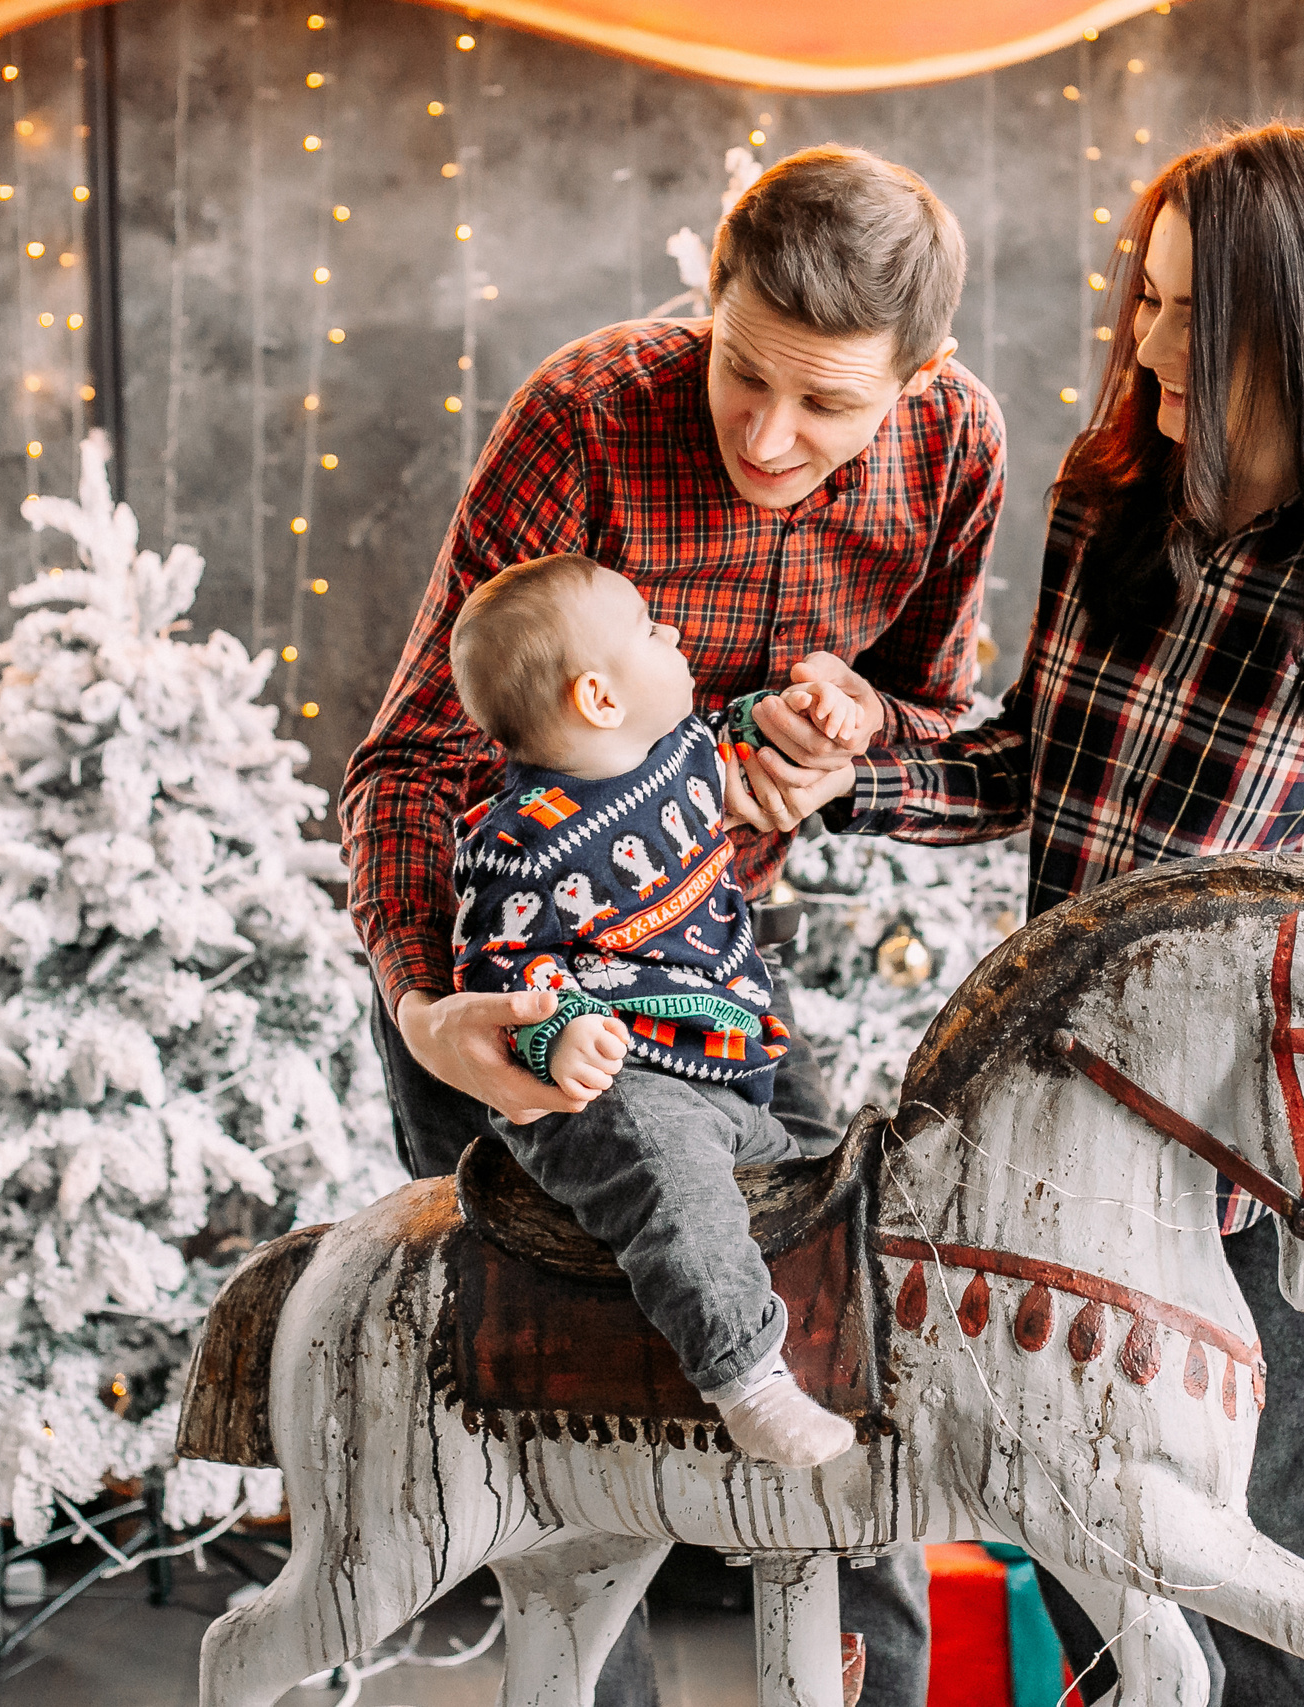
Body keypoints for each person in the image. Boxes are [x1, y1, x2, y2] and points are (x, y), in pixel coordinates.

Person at [730, 118, 1304, 1707]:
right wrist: (854, 768)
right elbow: (1031, 764)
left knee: (1274, 1591)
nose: (1146, 336)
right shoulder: (1114, 501)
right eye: (1145, 295)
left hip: (1276, 1187)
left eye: (1186, 307)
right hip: (1077, 1175)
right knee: (1105, 1577)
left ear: (1292, 322)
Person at [343, 143, 1005, 1707]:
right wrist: (433, 1009)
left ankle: (878, 1691)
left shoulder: (958, 450)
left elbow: (935, 713)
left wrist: (857, 739)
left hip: (714, 978)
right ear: (707, 294)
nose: (772, 437)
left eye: (828, 405)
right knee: (546, 1406)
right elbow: (414, 756)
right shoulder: (586, 415)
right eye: (743, 375)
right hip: (506, 988)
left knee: (852, 1307)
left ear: (922, 379)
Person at [445, 552, 866, 1466]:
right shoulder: (519, 844)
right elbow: (500, 970)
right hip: (613, 1085)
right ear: (598, 698)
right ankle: (745, 1374)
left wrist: (790, 717)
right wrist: (558, 1035)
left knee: (814, 1188)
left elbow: (732, 734)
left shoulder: (677, 757)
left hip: (724, 1069)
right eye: (647, 629)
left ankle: (846, 1358)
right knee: (668, 1175)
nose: (670, 633)